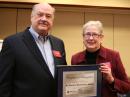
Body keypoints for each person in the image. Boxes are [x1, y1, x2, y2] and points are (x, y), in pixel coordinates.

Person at [0, 3, 67, 97]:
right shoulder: (12, 43)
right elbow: (3, 83)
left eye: (48, 16)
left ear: (52, 20)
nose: (44, 19)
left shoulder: (59, 43)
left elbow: (62, 75)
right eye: (40, 14)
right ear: (31, 17)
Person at [71, 21, 130, 97]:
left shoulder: (113, 56)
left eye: (95, 34)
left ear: (101, 37)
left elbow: (127, 86)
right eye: (88, 34)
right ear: (83, 37)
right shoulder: (75, 58)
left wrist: (111, 80)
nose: (91, 38)